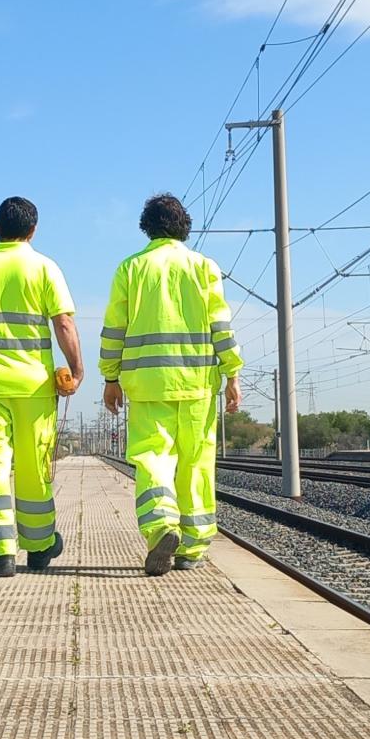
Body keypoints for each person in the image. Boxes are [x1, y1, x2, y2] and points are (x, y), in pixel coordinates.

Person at [98, 193, 242, 575]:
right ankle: (192, 548)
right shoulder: (204, 267)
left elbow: (114, 330)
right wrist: (232, 373)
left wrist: (110, 377)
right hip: (196, 385)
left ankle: (162, 524)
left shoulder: (131, 269)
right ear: (184, 227)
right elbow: (221, 326)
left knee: (153, 458)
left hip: (146, 384)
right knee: (196, 464)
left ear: (147, 227)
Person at [0, 197, 83, 578]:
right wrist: (77, 368)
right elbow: (65, 325)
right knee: (33, 467)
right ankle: (40, 548)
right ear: (33, 229)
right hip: (34, 387)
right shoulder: (44, 268)